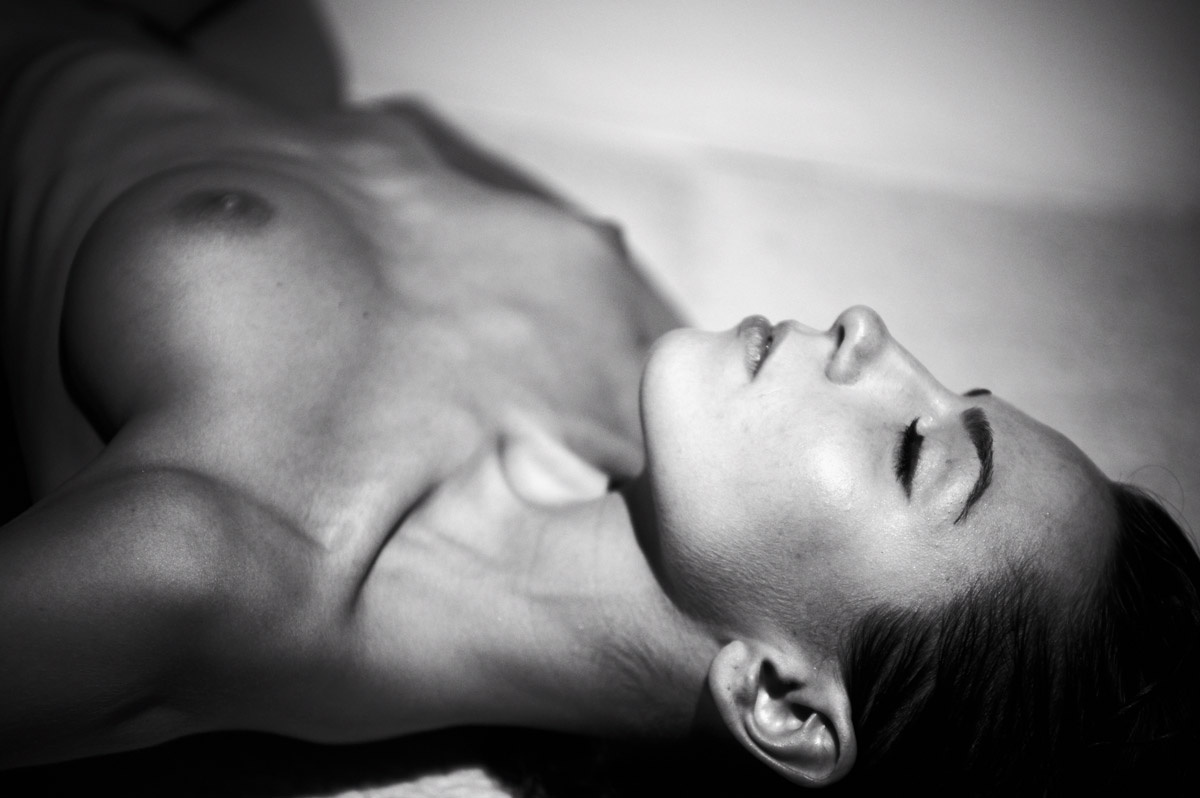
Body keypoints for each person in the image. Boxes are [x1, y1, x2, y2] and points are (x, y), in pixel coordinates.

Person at [1, 1, 1196, 793]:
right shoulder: (685, 398)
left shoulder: (218, 556)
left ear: (781, 702)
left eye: (917, 453)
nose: (871, 332)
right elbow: (385, 132)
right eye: (950, 385)